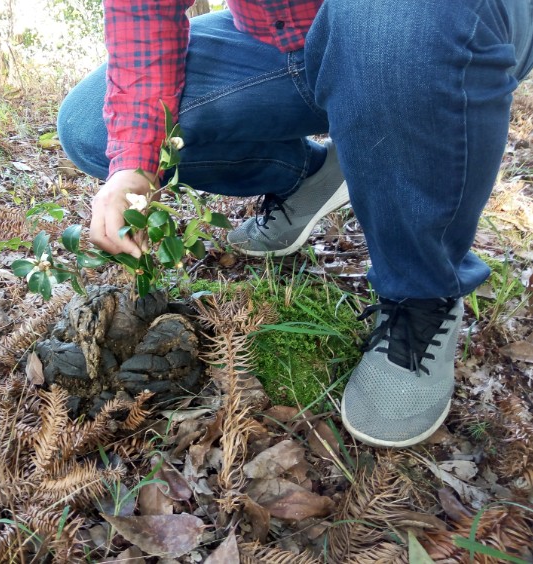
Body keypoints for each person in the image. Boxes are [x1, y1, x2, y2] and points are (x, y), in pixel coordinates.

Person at [57, 0, 533, 448]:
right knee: (90, 128)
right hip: (284, 38)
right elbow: (143, 17)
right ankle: (308, 178)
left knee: (388, 20)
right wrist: (133, 167)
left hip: (437, 21)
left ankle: (421, 292)